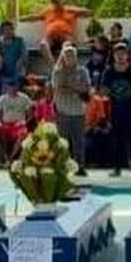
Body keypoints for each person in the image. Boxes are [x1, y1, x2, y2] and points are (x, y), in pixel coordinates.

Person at [102, 43, 131, 176]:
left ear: (127, 55)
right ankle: (117, 168)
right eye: (117, 54)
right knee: (117, 140)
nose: (120, 56)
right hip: (116, 110)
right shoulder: (108, 72)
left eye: (123, 53)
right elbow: (104, 90)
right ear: (113, 55)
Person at [52, 45, 91, 175]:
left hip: (78, 111)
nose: (69, 58)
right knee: (62, 142)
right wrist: (76, 87)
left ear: (76, 57)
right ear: (63, 57)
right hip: (62, 111)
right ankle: (62, 166)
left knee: (79, 141)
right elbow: (59, 89)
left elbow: (86, 88)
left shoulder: (83, 71)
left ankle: (80, 166)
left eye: (72, 55)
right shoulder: (57, 72)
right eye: (67, 56)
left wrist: (69, 86)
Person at [24, 0, 92, 64]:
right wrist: (23, 18)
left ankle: (58, 66)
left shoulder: (70, 10)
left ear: (62, 2)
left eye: (57, 2)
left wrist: (76, 9)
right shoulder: (48, 11)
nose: (55, 4)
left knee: (67, 45)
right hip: (51, 37)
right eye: (53, 2)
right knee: (43, 44)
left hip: (65, 36)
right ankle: (52, 65)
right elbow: (35, 17)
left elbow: (88, 12)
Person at [0, 80, 33, 166]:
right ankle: (4, 156)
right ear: (7, 88)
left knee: (23, 134)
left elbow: (30, 115)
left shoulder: (24, 98)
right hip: (5, 124)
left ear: (18, 87)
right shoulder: (2, 99)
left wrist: (24, 122)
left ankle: (11, 158)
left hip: (19, 125)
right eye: (10, 87)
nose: (13, 89)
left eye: (14, 86)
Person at [84, 81, 112, 166]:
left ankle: (101, 161)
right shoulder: (79, 101)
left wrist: (92, 126)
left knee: (100, 133)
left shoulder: (97, 100)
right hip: (83, 127)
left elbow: (101, 117)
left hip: (94, 127)